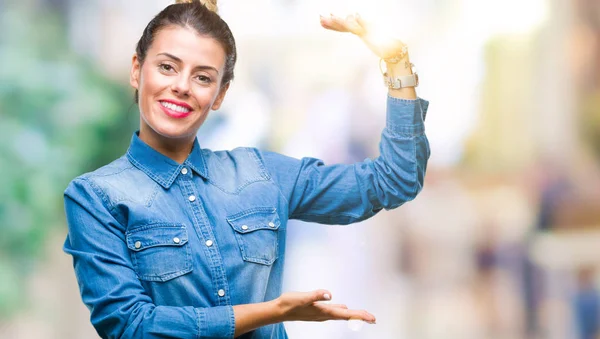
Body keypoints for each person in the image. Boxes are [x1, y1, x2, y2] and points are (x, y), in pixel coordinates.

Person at [62, 0, 430, 338]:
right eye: (167, 67)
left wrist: (397, 63)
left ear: (220, 94)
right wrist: (270, 312)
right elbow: (132, 326)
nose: (181, 87)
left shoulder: (260, 173)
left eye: (203, 77)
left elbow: (394, 180)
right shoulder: (95, 196)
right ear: (137, 70)